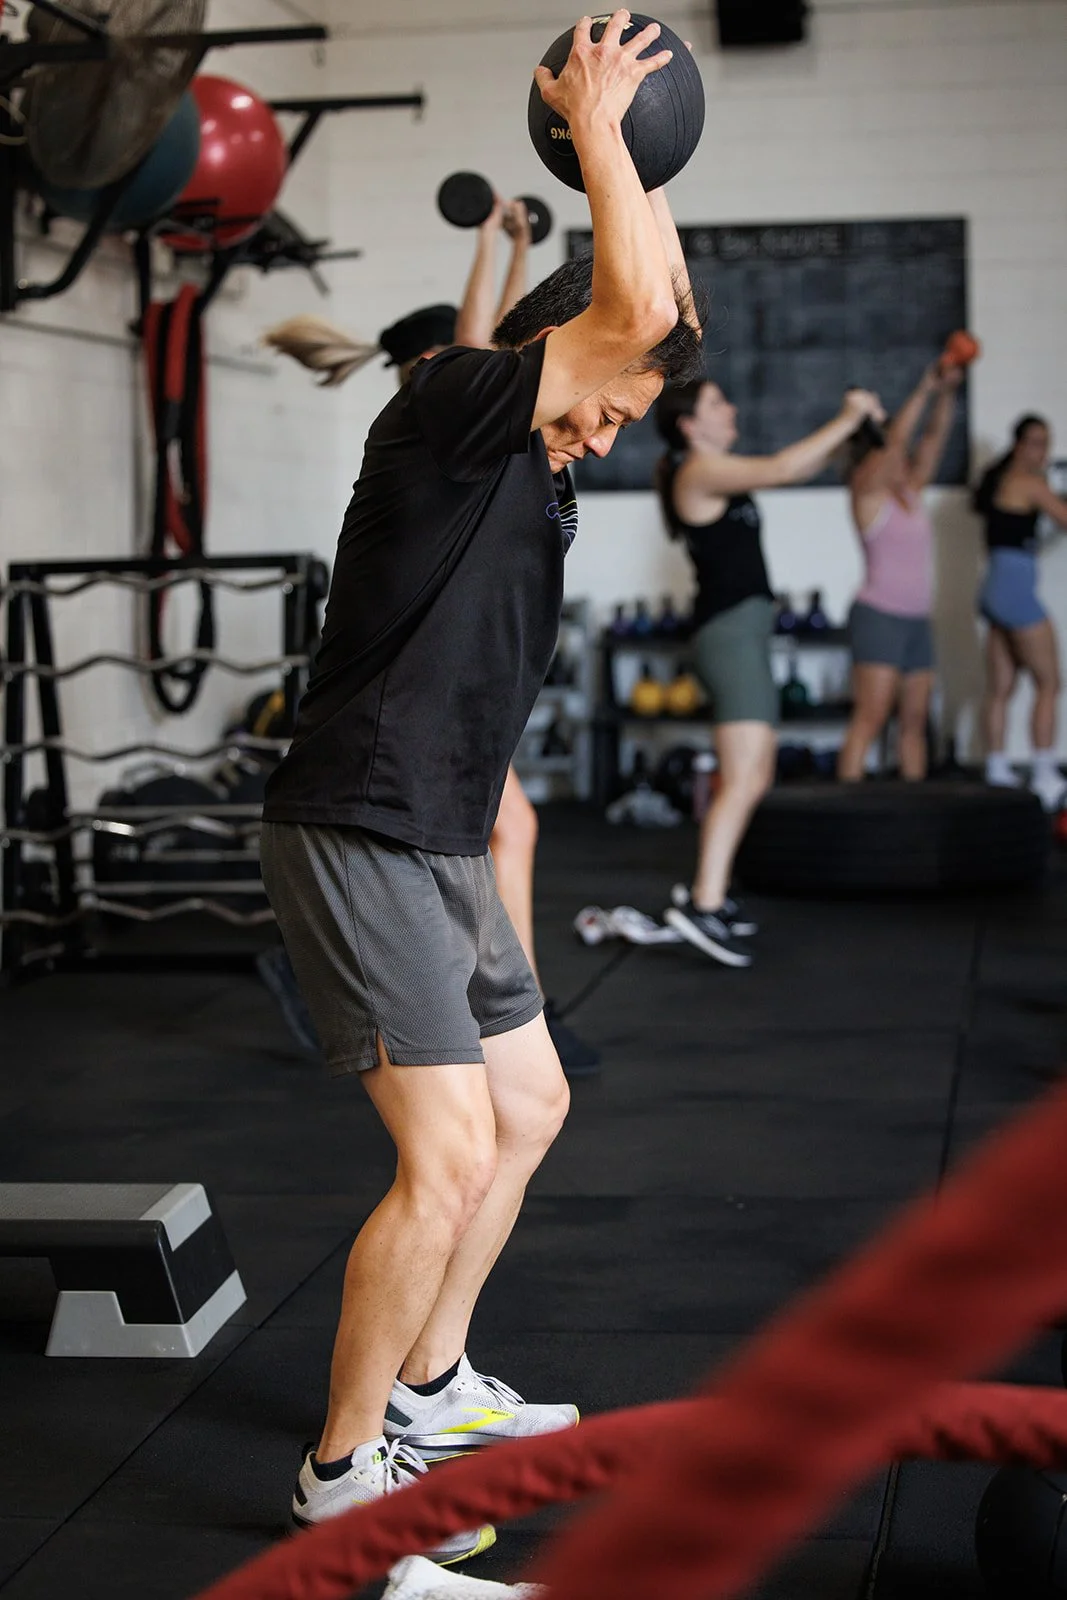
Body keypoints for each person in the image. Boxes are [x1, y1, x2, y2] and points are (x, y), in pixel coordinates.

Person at [258, 11, 704, 1563]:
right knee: (440, 1157)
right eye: (601, 399)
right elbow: (635, 302)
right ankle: (338, 1484)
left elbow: (657, 306)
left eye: (625, 422)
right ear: (548, 349)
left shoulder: (540, 454)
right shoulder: (456, 407)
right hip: (362, 824)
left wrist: (634, 190)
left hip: (442, 831)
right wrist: (597, 129)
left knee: (529, 1107)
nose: (600, 431)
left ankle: (433, 1385)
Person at [263, 199, 600, 1075]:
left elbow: (521, 339)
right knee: (512, 824)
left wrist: (518, 243)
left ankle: (503, 992)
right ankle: (478, 992)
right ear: (432, 359)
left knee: (510, 827)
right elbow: (494, 341)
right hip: (385, 755)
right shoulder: (446, 396)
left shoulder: (503, 433)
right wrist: (491, 241)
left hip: (444, 733)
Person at [653, 380, 884, 967]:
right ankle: (703, 904)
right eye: (717, 404)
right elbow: (784, 468)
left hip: (744, 633)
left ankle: (711, 892)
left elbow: (799, 465)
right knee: (742, 773)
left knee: (754, 775)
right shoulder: (698, 471)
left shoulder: (717, 470)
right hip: (728, 636)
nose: (731, 408)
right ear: (689, 424)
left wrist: (851, 432)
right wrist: (847, 411)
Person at [836, 362, 962, 783]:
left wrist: (946, 393)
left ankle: (915, 819)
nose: (900, 453)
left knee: (914, 723)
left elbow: (933, 439)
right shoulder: (865, 489)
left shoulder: (908, 489)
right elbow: (898, 442)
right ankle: (848, 820)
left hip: (916, 621)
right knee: (871, 718)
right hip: (880, 617)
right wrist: (924, 386)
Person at [975, 414, 1067, 809]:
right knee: (1050, 683)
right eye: (1035, 443)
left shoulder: (1002, 481)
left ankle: (997, 767)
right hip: (1012, 590)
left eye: (1045, 443)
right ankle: (1045, 773)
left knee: (1002, 688)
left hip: (995, 588)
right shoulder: (1028, 481)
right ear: (1018, 445)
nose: (1041, 451)